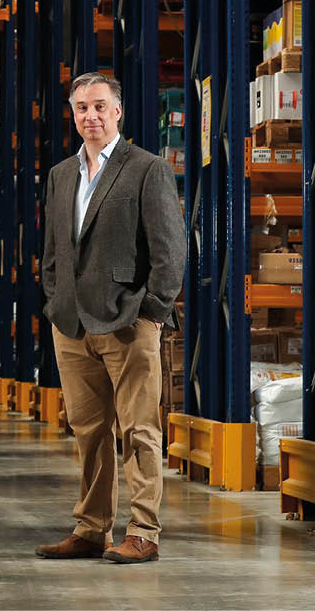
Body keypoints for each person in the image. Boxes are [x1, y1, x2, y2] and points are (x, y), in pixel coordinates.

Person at [36, 72, 185, 564]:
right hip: (72, 324)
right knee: (88, 430)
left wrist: (151, 313)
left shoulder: (147, 169)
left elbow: (169, 251)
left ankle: (143, 531)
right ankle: (91, 527)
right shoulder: (61, 175)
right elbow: (55, 251)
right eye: (81, 107)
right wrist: (56, 298)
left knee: (139, 429)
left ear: (118, 111)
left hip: (128, 321)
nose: (90, 116)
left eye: (100, 106)